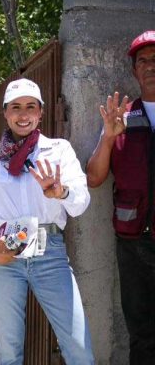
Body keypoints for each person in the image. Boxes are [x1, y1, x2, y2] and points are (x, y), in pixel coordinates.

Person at [0, 78, 94, 365]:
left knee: (78, 345)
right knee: (9, 350)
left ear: (40, 113)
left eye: (30, 107)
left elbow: (81, 202)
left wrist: (60, 192)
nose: (23, 115)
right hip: (4, 256)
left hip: (49, 252)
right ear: (5, 113)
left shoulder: (58, 150)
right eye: (15, 107)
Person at [86, 30, 155, 365]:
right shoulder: (121, 118)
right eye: (143, 61)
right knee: (142, 335)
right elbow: (95, 178)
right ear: (134, 71)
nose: (150, 66)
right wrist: (110, 139)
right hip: (134, 246)